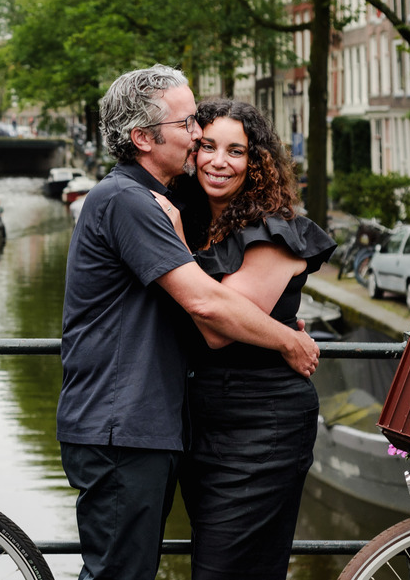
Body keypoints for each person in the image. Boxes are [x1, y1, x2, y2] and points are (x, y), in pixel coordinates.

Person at [57, 64, 319, 580]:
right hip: (121, 425)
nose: (198, 135)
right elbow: (207, 306)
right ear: (143, 137)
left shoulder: (154, 201)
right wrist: (288, 340)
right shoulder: (132, 201)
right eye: (189, 124)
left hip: (143, 425)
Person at [153, 99, 334, 580]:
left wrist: (172, 242)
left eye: (236, 151)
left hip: (262, 424)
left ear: (257, 162)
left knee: (224, 571)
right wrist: (283, 336)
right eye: (207, 146)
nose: (218, 161)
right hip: (201, 423)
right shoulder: (195, 223)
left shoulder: (276, 232)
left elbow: (215, 328)